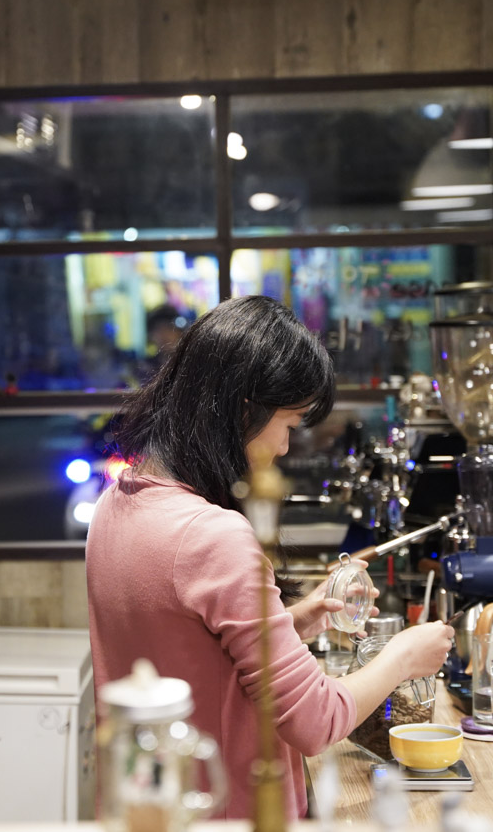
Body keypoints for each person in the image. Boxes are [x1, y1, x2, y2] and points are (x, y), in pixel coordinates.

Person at [86, 295, 455, 820]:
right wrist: (403, 657)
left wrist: (295, 620)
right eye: (289, 423)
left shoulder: (116, 501)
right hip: (230, 813)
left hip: (150, 809)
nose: (285, 447)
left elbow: (189, 650)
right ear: (243, 410)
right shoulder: (213, 535)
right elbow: (315, 723)